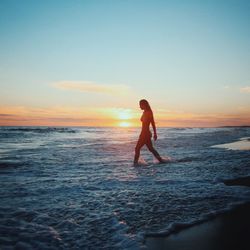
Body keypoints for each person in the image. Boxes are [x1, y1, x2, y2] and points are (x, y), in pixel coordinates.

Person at [134, 99, 164, 165]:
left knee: (137, 148)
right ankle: (161, 160)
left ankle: (135, 164)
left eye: (140, 105)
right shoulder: (145, 112)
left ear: (144, 104)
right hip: (144, 133)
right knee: (151, 149)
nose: (139, 106)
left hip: (145, 133)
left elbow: (153, 123)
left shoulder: (149, 112)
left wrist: (155, 134)